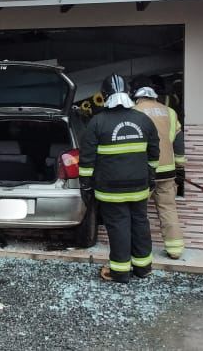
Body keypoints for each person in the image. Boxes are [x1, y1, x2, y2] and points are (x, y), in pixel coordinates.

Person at [78, 74, 159, 283]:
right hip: (139, 187)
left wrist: (85, 185)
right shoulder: (143, 120)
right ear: (128, 93)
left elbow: (87, 159)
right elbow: (154, 153)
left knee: (118, 225)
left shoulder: (97, 122)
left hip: (110, 190)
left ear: (105, 95)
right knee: (140, 223)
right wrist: (150, 176)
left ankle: (120, 272)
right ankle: (143, 268)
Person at [132, 78, 188, 259]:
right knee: (168, 210)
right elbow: (178, 141)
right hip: (167, 171)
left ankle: (139, 250)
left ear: (137, 95)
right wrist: (180, 165)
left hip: (144, 172)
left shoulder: (134, 112)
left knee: (138, 213)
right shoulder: (170, 112)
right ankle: (175, 249)